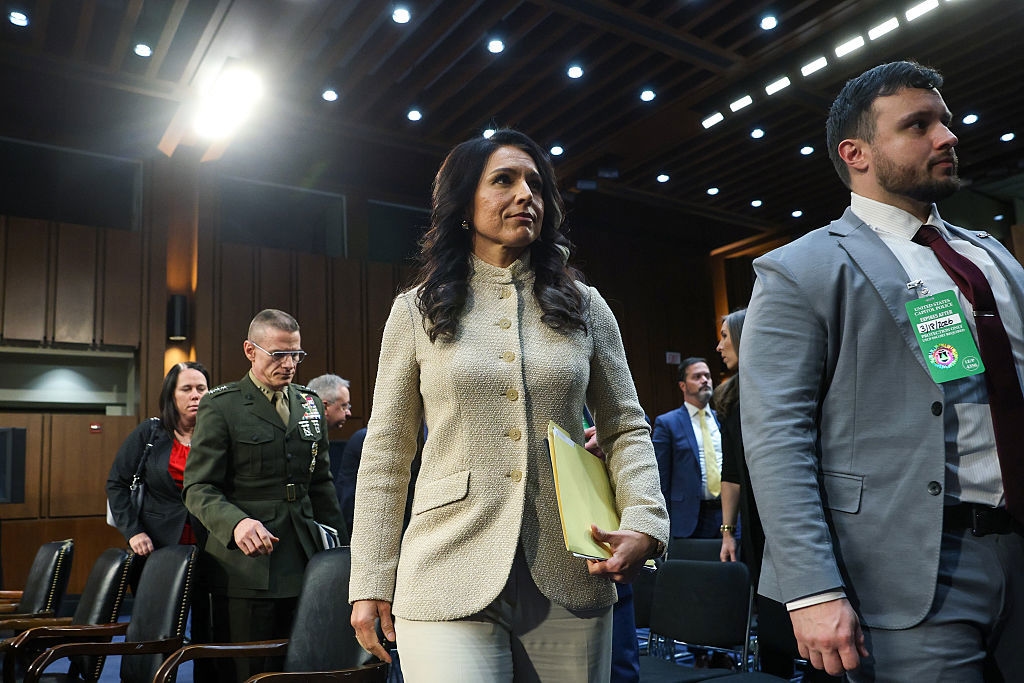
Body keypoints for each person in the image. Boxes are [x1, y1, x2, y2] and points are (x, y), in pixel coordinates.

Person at [348, 128, 668, 683]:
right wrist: (371, 579)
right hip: (447, 565)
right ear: (464, 205)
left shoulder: (585, 306)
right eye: (505, 180)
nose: (527, 195)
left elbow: (624, 427)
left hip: (573, 564)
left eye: (536, 185)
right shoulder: (416, 311)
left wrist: (644, 519)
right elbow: (386, 454)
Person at [741, 60, 1024, 681]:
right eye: (917, 125)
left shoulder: (992, 255)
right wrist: (811, 589)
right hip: (906, 571)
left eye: (944, 122)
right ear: (856, 152)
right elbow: (777, 439)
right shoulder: (801, 269)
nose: (947, 137)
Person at [183, 309, 347, 683]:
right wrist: (236, 522)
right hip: (248, 564)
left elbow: (321, 483)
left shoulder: (308, 403)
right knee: (250, 667)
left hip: (305, 555)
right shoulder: (221, 405)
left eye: (296, 355)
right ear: (250, 351)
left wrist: (341, 557)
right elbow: (198, 487)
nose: (289, 364)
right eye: (279, 354)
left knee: (304, 662)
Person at [106, 361, 216, 682]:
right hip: (156, 547)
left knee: (210, 627)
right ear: (172, 394)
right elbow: (117, 483)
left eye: (201, 388)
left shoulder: (219, 433)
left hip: (209, 546)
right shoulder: (151, 432)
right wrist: (133, 531)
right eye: (187, 389)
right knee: (156, 626)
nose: (195, 395)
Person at [652, 357, 726, 542]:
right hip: (689, 518)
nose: (705, 380)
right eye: (697, 376)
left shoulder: (724, 419)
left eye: (707, 376)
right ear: (683, 386)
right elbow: (661, 478)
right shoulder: (667, 423)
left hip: (727, 515)